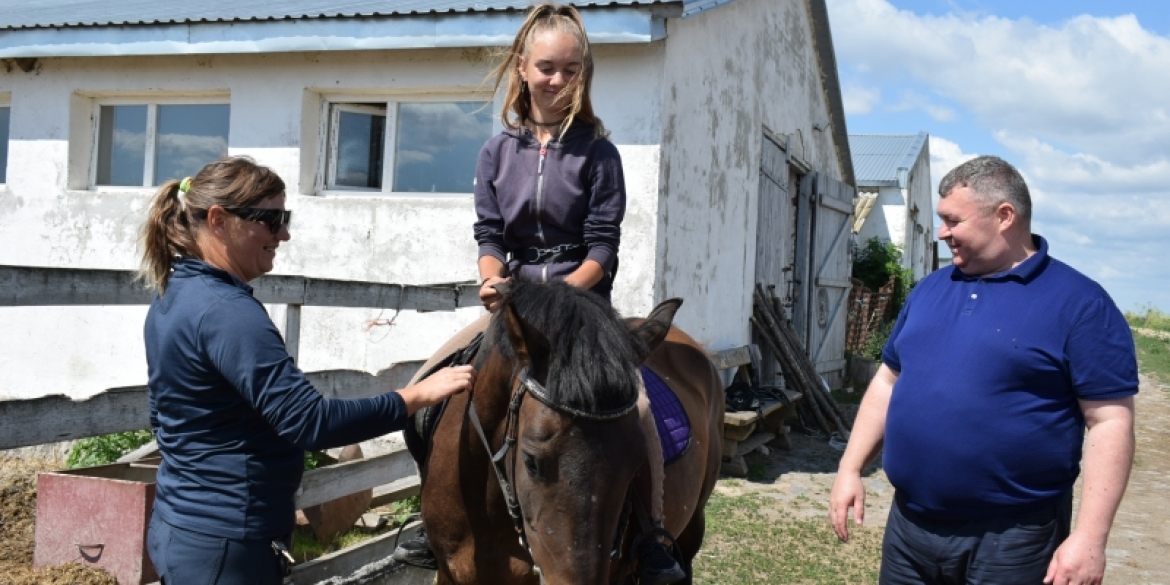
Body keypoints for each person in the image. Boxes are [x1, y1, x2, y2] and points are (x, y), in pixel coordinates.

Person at [392, 4, 683, 584]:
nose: (557, 80)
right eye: (547, 67)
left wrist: (561, 298)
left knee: (643, 410)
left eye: (571, 69)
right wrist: (490, 275)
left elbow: (603, 248)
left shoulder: (599, 154)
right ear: (522, 68)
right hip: (513, 304)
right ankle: (437, 521)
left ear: (585, 74)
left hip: (582, 306)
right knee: (433, 380)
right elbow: (490, 233)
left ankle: (651, 532)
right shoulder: (496, 152)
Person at [139, 156, 475, 585]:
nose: (284, 234)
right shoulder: (227, 313)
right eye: (271, 219)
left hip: (184, 526)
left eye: (285, 217)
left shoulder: (176, 294)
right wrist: (416, 397)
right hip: (227, 543)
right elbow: (310, 422)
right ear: (219, 220)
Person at [829, 156, 1137, 585]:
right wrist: (850, 468)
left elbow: (1109, 421)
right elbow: (887, 381)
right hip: (910, 529)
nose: (941, 233)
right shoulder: (930, 290)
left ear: (1004, 216)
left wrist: (1090, 538)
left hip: (1013, 541)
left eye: (952, 220)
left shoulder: (1080, 304)